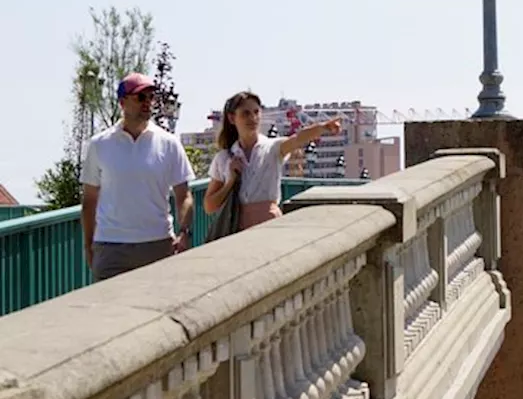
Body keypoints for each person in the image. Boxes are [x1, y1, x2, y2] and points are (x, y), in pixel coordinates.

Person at [81, 72, 196, 281]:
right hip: (111, 248)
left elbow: (184, 194)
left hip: (158, 244)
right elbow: (89, 200)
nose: (147, 103)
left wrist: (185, 233)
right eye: (140, 97)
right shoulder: (99, 144)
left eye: (151, 97)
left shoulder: (169, 143)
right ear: (122, 102)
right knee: (110, 311)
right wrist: (88, 245)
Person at [204, 91, 342, 230]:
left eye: (256, 112)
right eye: (246, 113)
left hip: (269, 224)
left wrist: (323, 128)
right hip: (236, 227)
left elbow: (297, 139)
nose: (253, 118)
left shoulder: (272, 148)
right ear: (232, 118)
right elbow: (209, 206)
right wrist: (230, 181)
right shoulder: (224, 158)